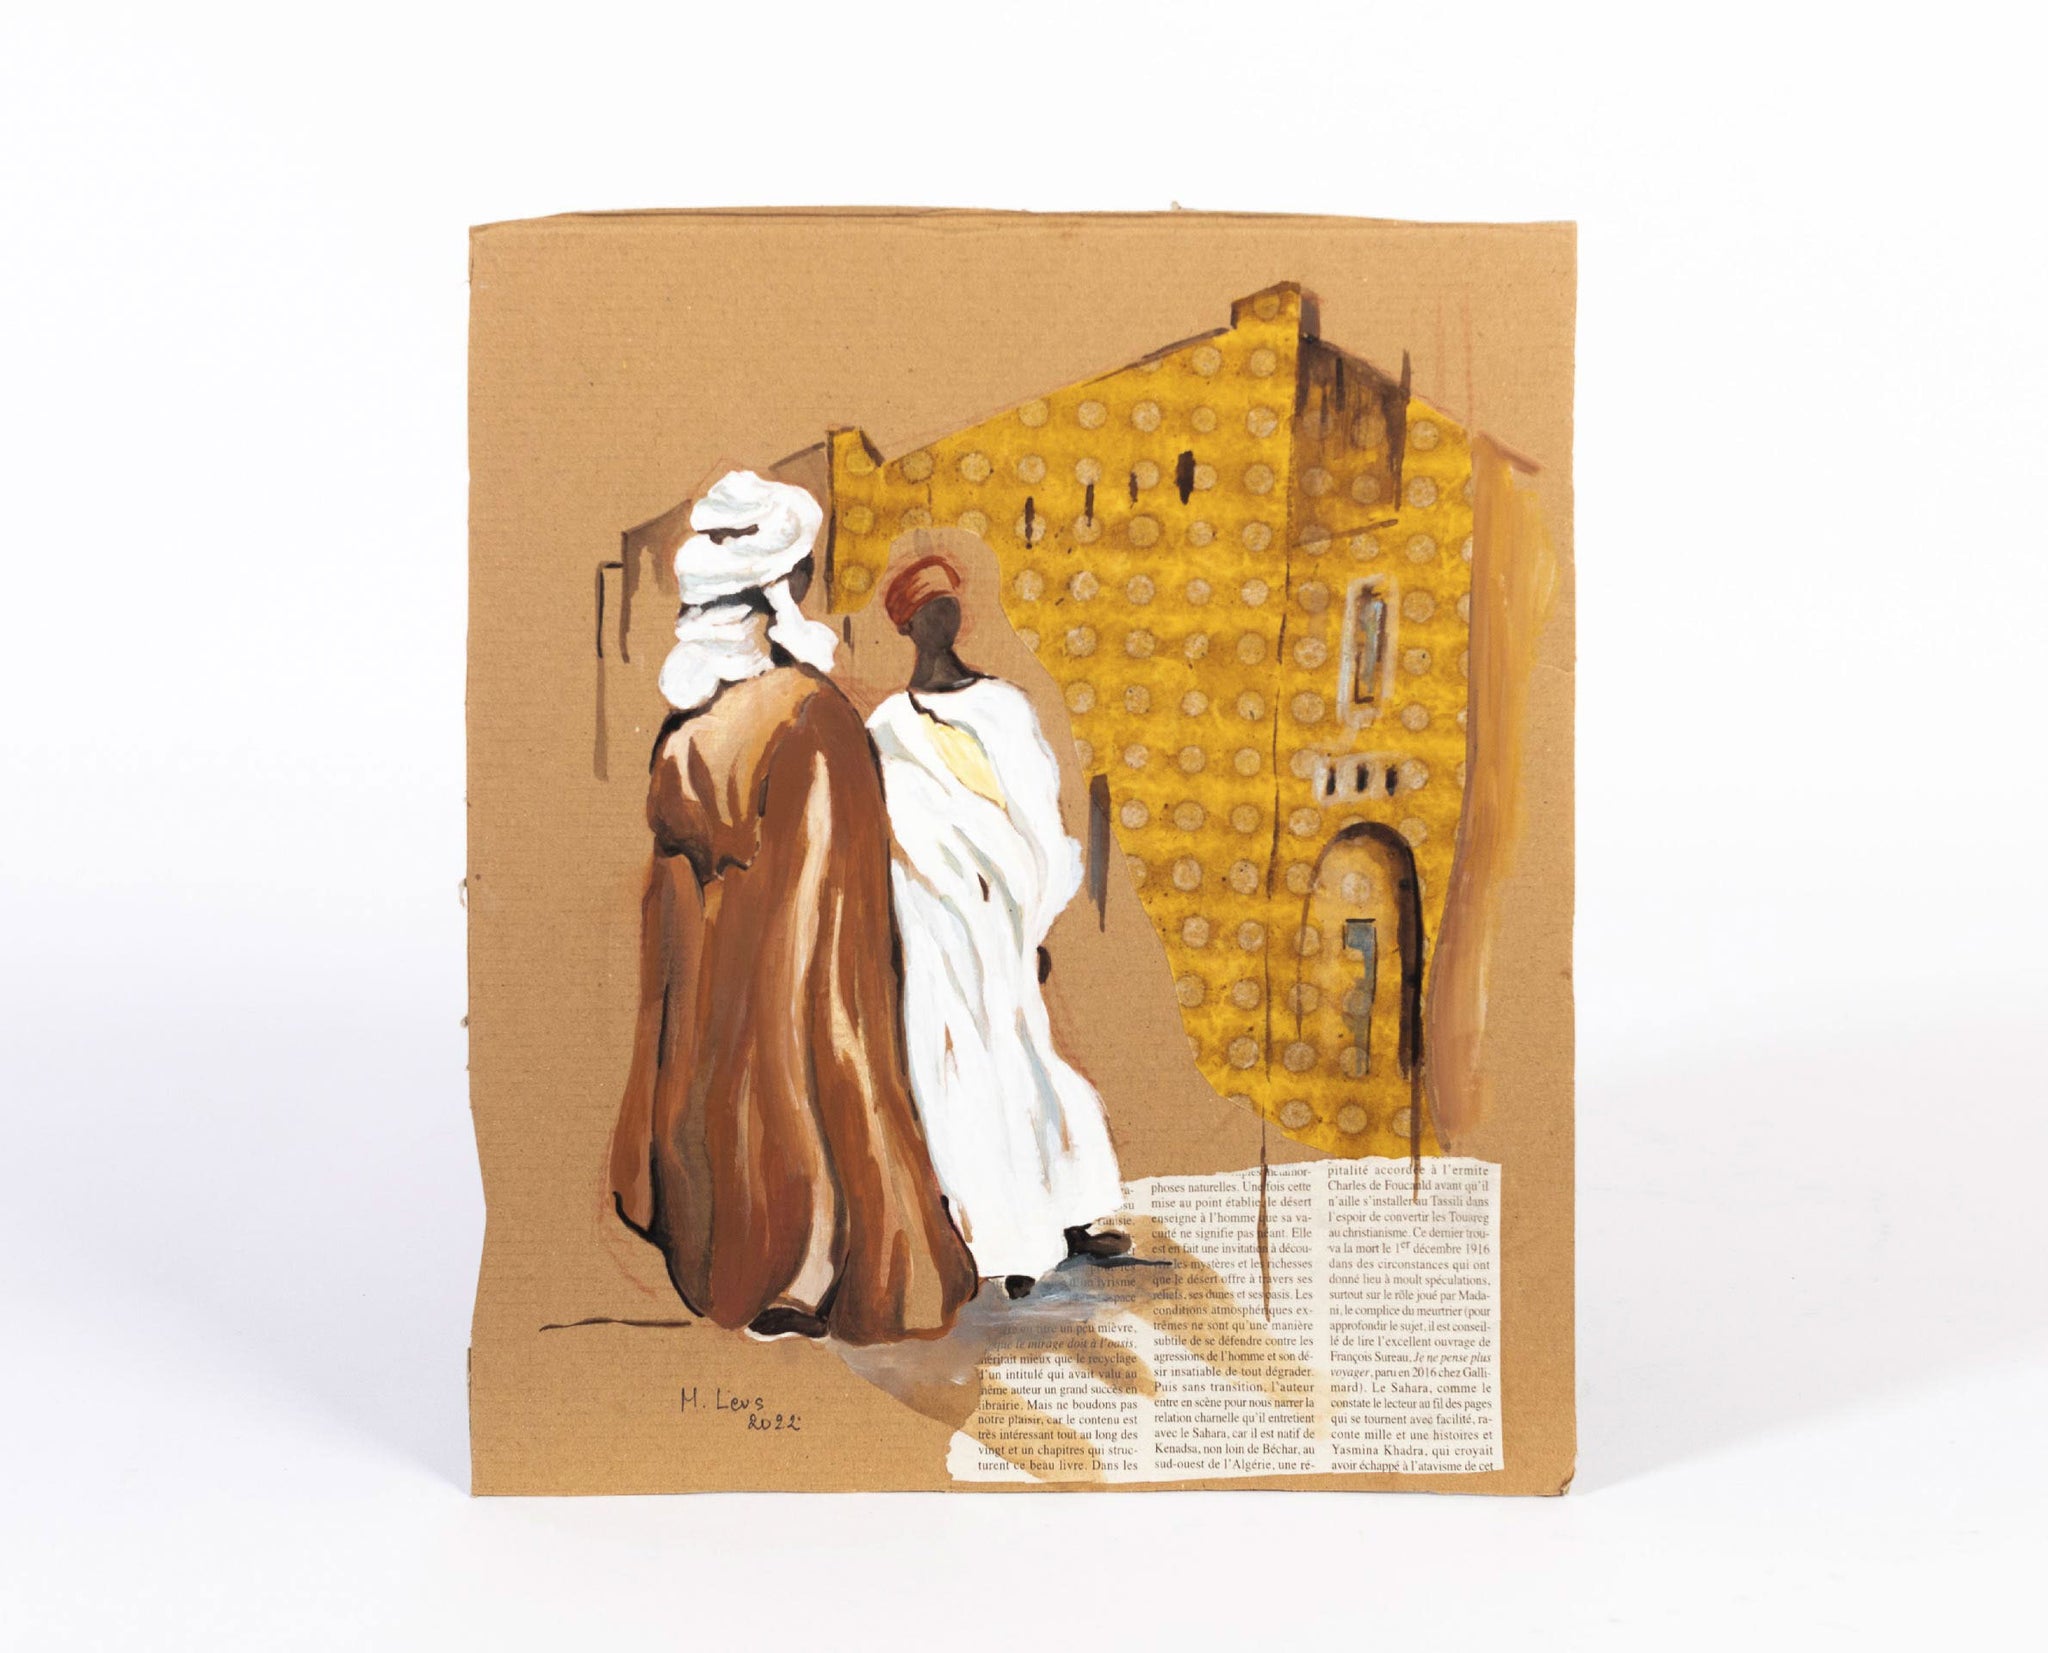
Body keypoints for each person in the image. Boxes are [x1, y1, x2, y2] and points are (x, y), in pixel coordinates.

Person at [609, 473, 977, 1345]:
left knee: (708, 1047)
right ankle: (808, 1266)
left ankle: (722, 1253)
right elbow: (828, 915)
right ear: (783, 588)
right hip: (790, 986)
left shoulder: (681, 735)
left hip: (707, 1004)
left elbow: (669, 930)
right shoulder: (812, 716)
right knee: (802, 1033)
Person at [866, 553, 1129, 1299]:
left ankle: (1070, 1217)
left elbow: (1038, 820)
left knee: (1030, 1061)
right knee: (960, 1079)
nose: (943, 616)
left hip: (1007, 925)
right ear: (908, 624)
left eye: (949, 602)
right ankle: (1004, 1244)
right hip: (935, 934)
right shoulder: (886, 728)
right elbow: (895, 839)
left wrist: (1033, 920)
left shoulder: (1007, 708)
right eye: (928, 607)